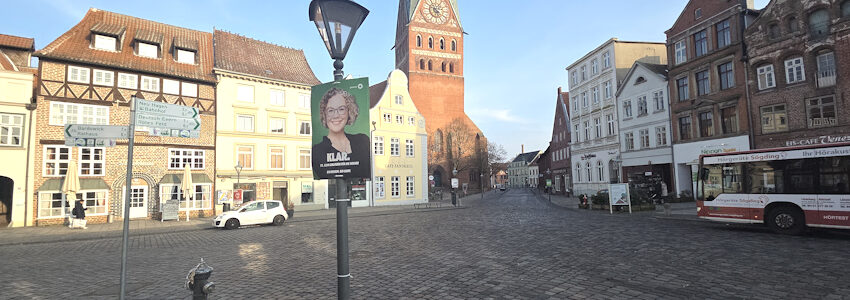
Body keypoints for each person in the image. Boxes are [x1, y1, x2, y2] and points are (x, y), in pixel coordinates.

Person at [312, 88, 370, 179]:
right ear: (324, 114)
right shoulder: (317, 151)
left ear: (349, 111)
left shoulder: (363, 140)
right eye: (330, 110)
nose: (336, 115)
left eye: (341, 109)